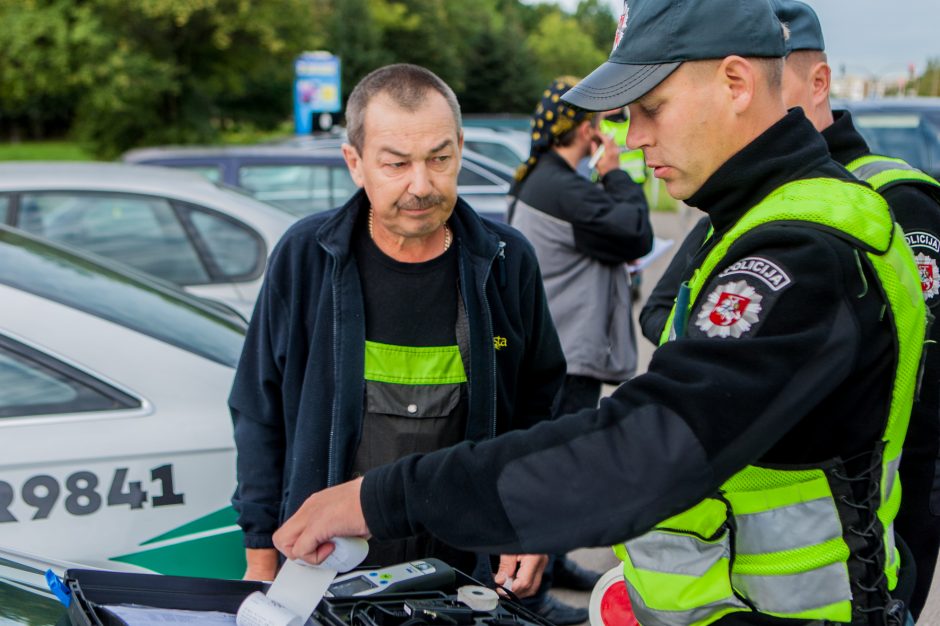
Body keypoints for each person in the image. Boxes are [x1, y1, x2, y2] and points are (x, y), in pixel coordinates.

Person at [272, 1, 927, 624]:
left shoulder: (805, 249)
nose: (633, 139)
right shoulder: (759, 221)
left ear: (733, 82)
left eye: (649, 107)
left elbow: (639, 452)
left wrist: (380, 497)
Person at [641, 2, 940, 616]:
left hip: (875, 515)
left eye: (777, 75)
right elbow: (665, 311)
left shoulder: (890, 201)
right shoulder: (756, 199)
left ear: (817, 82)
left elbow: (918, 388)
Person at [228, 63, 567, 599]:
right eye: (396, 164)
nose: (421, 185)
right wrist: (261, 560)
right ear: (355, 163)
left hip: (464, 574)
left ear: (459, 148)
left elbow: (540, 407)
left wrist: (531, 521)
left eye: (440, 159)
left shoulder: (505, 262)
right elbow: (258, 411)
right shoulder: (305, 258)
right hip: (322, 570)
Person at [508, 77, 654, 617]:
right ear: (586, 128)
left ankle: (553, 559)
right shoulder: (561, 187)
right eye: (604, 120)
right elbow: (635, 231)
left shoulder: (549, 178)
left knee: (559, 465)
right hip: (564, 355)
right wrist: (615, 171)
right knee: (557, 472)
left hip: (562, 347)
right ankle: (534, 596)